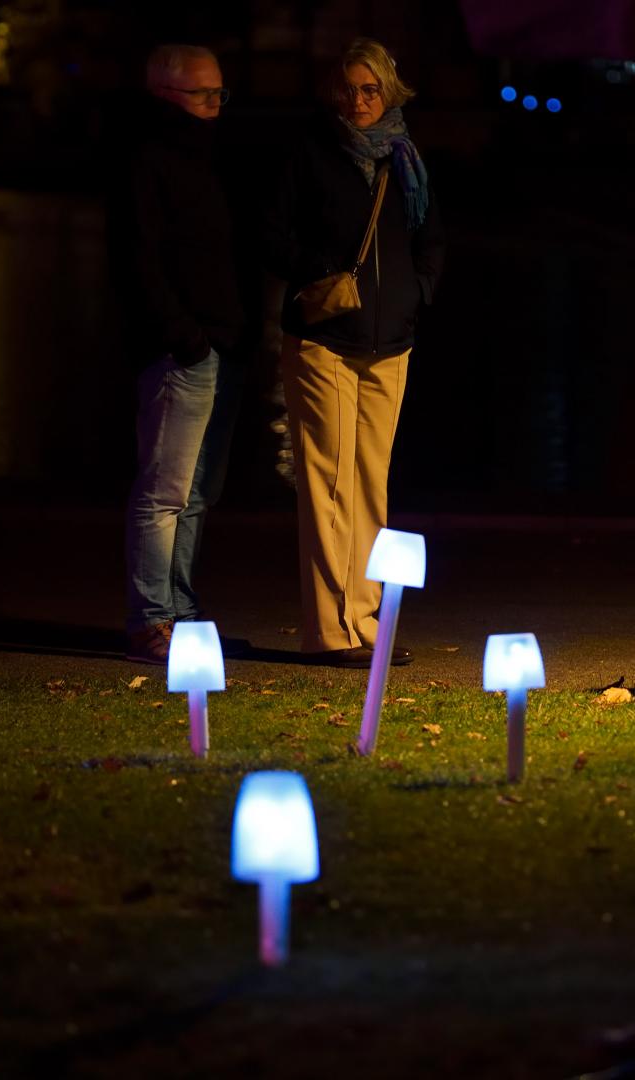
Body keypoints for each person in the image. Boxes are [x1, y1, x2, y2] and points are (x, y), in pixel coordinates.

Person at [264, 38, 445, 668]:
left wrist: (415, 295)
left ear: (389, 92)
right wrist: (326, 273)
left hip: (390, 342)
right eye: (349, 89)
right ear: (333, 92)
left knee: (370, 485)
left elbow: (431, 240)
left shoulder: (406, 158)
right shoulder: (310, 153)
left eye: (370, 89)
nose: (359, 100)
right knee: (326, 484)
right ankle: (329, 628)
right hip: (325, 340)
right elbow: (272, 237)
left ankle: (365, 622)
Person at [117, 43, 251, 665]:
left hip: (216, 343)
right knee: (165, 491)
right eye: (204, 94)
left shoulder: (209, 157)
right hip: (187, 349)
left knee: (195, 493)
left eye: (220, 93)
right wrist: (185, 336)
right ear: (166, 96)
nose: (216, 105)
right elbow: (142, 261)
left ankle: (182, 613)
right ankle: (153, 619)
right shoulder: (147, 159)